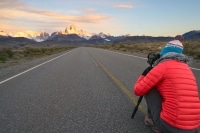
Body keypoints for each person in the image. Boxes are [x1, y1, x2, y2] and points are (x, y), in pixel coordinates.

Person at [133, 35, 200, 133]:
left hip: (172, 127)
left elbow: (138, 90)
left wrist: (144, 74)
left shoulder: (163, 67)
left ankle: (153, 122)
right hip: (194, 127)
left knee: (149, 87)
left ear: (164, 53)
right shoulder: (187, 69)